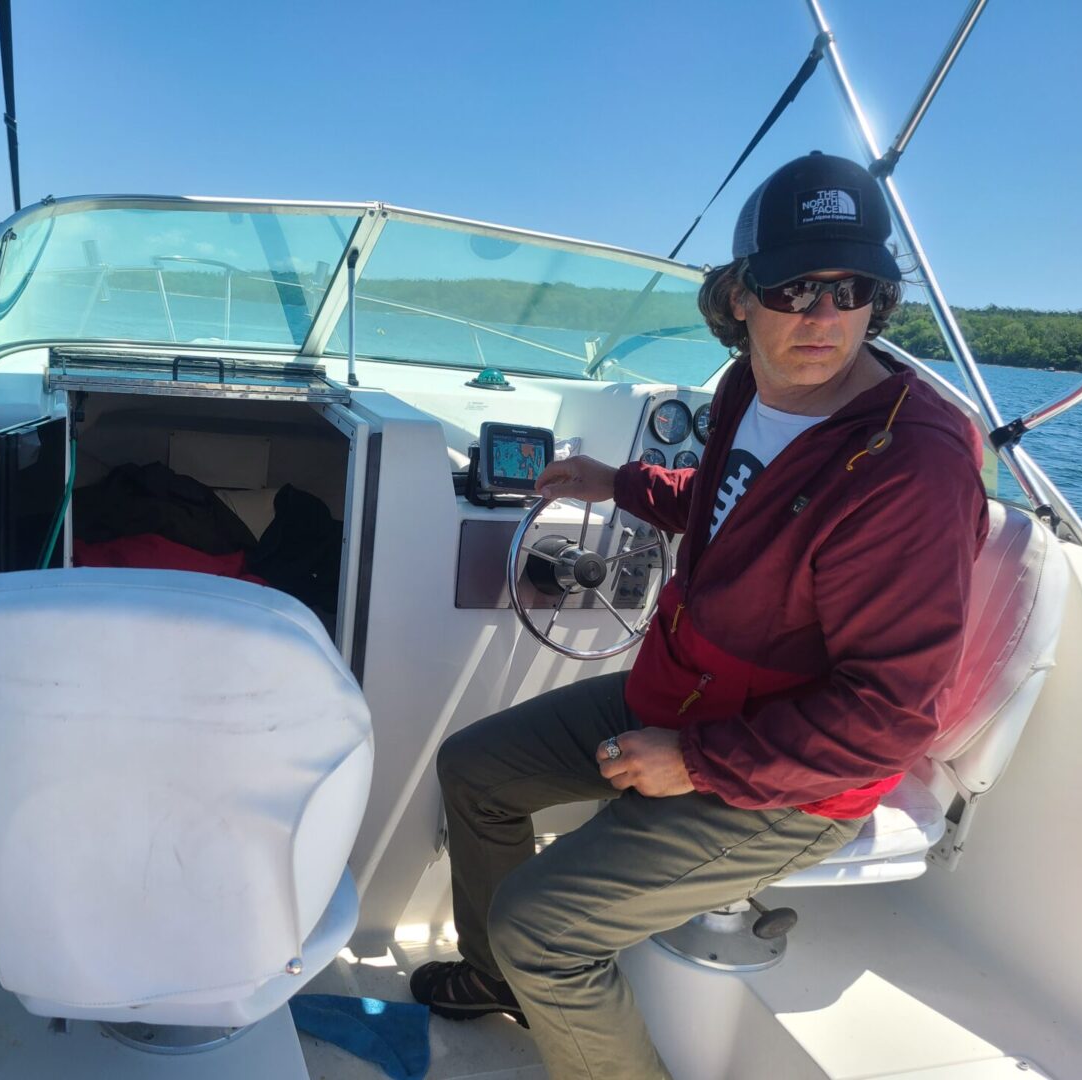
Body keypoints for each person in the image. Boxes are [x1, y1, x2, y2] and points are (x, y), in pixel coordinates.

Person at [408, 152, 989, 1080]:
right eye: (795, 285)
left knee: (543, 928)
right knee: (474, 768)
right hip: (685, 698)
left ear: (879, 300)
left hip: (795, 776)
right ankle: (498, 983)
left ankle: (543, 984)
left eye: (852, 288)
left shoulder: (910, 465)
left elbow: (890, 717)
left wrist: (698, 762)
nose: (822, 315)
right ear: (740, 298)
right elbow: (735, 497)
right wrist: (625, 483)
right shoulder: (747, 389)